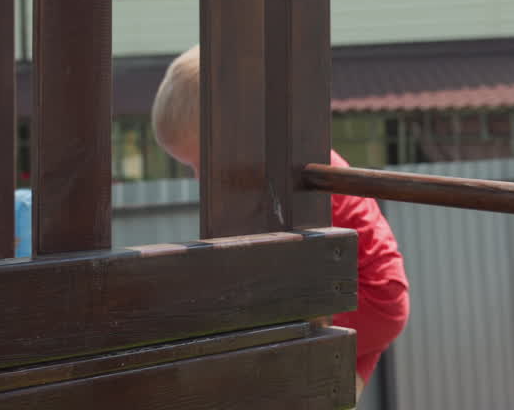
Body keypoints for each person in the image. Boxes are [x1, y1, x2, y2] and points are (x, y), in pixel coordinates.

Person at [151, 45, 409, 400]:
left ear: (243, 135)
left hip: (365, 296)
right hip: (362, 297)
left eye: (202, 166)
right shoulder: (271, 167)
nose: (197, 179)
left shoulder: (293, 175)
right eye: (189, 166)